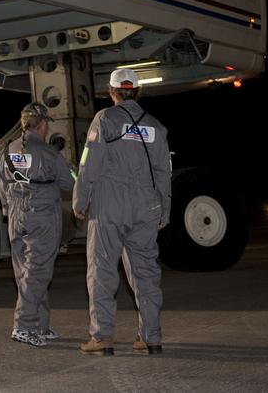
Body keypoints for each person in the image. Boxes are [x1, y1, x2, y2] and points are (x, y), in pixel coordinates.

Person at [73, 68, 172, 356]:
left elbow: (88, 162)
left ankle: (102, 338)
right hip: (146, 207)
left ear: (112, 91)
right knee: (146, 274)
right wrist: (164, 211)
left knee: (102, 271)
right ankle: (151, 337)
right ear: (137, 91)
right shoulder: (156, 126)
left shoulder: (105, 119)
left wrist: (80, 201)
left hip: (110, 207)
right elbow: (164, 172)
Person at [0, 102, 76, 347]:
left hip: (16, 216)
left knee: (26, 273)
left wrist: (9, 211)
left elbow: (2, 185)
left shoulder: (7, 151)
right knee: (39, 271)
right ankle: (24, 325)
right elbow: (70, 183)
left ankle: (40, 325)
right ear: (42, 125)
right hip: (41, 215)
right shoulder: (48, 153)